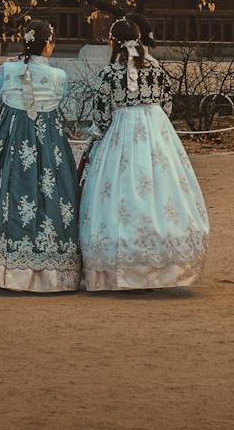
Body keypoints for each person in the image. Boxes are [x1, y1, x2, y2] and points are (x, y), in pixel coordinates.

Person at [75, 14, 210, 291]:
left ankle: (117, 266)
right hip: (155, 130)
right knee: (161, 191)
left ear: (114, 43)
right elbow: (168, 104)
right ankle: (161, 264)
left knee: (118, 193)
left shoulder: (110, 74)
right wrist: (154, 121)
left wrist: (98, 138)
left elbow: (101, 115)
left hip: (121, 130)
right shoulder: (157, 69)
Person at [0, 19, 81, 292]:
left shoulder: (7, 70)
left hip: (7, 138)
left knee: (1, 191)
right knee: (50, 194)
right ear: (48, 45)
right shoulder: (59, 76)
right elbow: (58, 101)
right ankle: (47, 268)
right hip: (48, 142)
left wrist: (10, 74)